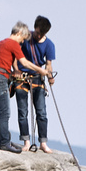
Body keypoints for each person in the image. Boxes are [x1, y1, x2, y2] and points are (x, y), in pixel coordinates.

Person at [0, 22, 50, 153]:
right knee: (4, 113)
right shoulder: (13, 43)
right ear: (19, 33)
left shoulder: (1, 43)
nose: (22, 42)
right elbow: (24, 62)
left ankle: (4, 141)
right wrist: (41, 71)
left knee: (0, 112)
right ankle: (4, 143)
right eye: (22, 39)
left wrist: (14, 71)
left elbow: (9, 60)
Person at [17, 16, 57, 153]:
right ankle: (26, 141)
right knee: (23, 111)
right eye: (37, 32)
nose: (38, 35)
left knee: (41, 112)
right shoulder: (26, 38)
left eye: (41, 34)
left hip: (37, 78)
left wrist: (50, 77)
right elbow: (16, 54)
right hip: (22, 77)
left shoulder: (49, 44)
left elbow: (49, 64)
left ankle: (43, 142)